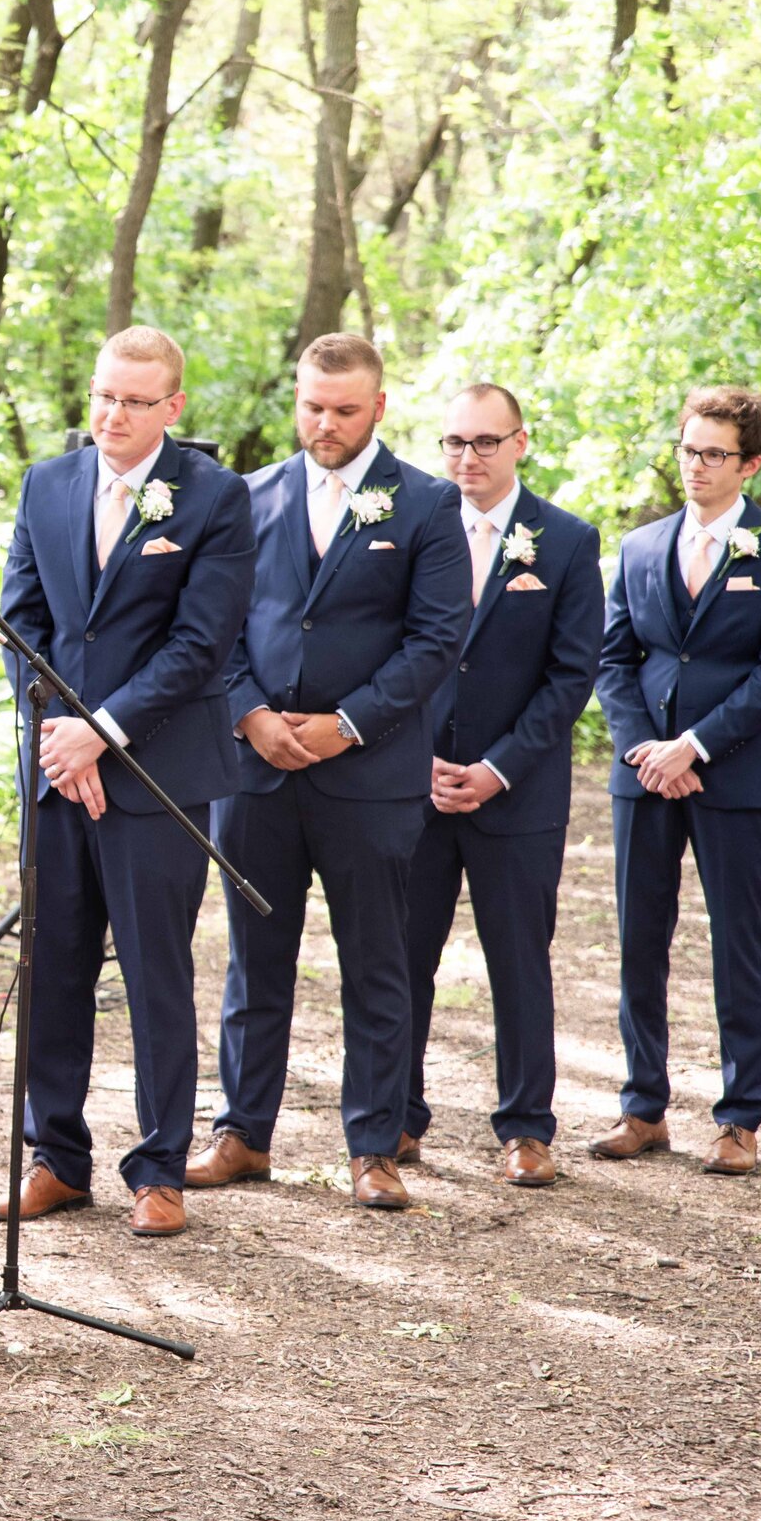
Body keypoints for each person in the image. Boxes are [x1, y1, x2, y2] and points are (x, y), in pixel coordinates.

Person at [0, 327, 255, 1237]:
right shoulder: (46, 483)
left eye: (135, 401)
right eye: (104, 395)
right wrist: (60, 739)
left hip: (159, 774)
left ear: (172, 407)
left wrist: (102, 734)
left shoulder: (215, 498)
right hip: (58, 772)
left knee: (154, 974)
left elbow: (202, 643)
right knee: (52, 969)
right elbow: (21, 623)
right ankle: (56, 1159)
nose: (112, 414)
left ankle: (159, 1168)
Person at [196, 333, 470, 1211]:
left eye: (345, 410)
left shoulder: (426, 504)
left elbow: (437, 639)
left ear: (378, 408)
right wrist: (248, 713)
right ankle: (243, 1134)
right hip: (256, 771)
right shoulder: (245, 497)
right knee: (253, 963)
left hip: (371, 776)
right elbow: (213, 626)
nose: (326, 423)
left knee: (378, 964)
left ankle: (374, 1147)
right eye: (313, 406)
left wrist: (347, 725)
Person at [591, 386, 761, 1175]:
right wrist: (644, 751)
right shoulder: (639, 546)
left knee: (736, 942)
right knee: (638, 940)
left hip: (733, 777)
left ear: (749, 464)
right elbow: (613, 660)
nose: (697, 465)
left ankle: (739, 1117)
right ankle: (642, 1107)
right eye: (689, 449)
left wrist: (692, 747)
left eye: (715, 454)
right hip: (644, 779)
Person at [399, 384, 602, 1189]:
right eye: (455, 442)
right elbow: (383, 652)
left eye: (485, 442)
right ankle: (396, 1116)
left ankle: (526, 1128)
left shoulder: (566, 540)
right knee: (400, 960)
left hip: (516, 795)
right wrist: (413, 758)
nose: (468, 457)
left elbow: (571, 676)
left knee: (519, 963)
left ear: (520, 442)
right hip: (413, 788)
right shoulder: (410, 526)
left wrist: (497, 769)